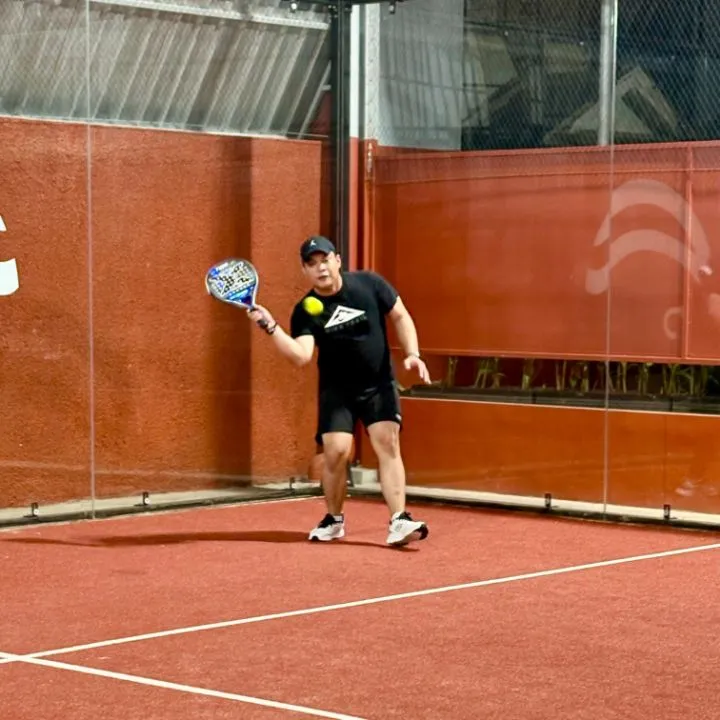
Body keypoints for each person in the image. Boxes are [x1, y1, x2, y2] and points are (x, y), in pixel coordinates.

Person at [247, 235, 432, 546]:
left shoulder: (369, 284)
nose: (320, 268)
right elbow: (301, 356)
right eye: (312, 264)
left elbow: (400, 315)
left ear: (338, 261)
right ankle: (333, 520)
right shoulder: (306, 311)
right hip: (337, 390)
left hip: (378, 383)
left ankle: (399, 519)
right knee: (336, 452)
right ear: (304, 270)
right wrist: (271, 327)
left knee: (387, 442)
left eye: (325, 260)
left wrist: (413, 353)